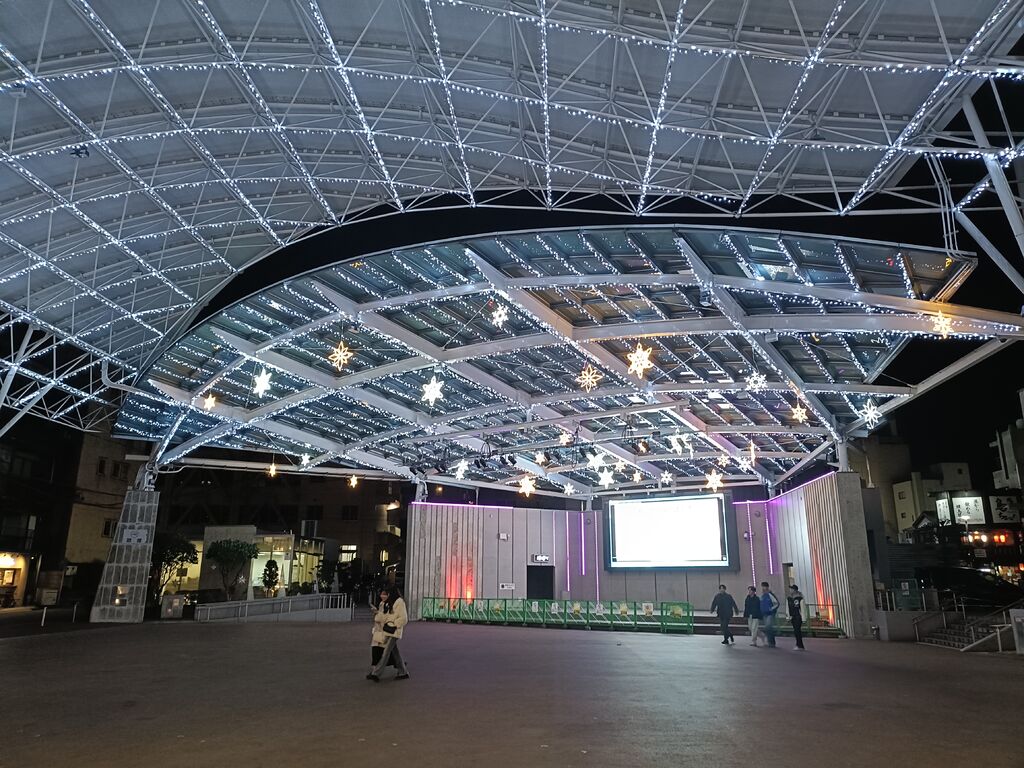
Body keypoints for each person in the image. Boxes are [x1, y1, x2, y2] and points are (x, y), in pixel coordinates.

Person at [366, 585, 409, 682]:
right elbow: (386, 617)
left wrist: (394, 624)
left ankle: (376, 673)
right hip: (388, 630)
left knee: (386, 652)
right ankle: (403, 672)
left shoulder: (399, 602)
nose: (385, 595)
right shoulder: (388, 603)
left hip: (394, 631)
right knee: (394, 652)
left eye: (387, 593)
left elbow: (404, 618)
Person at [759, 582, 780, 648]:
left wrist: (771, 609)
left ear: (767, 587)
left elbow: (777, 603)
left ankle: (772, 642)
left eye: (764, 586)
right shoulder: (762, 596)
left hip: (770, 614)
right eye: (762, 586)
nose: (763, 588)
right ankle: (769, 641)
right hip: (764, 614)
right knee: (767, 627)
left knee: (768, 627)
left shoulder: (770, 595)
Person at [787, 584, 806, 650]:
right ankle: (799, 644)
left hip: (798, 616)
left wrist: (803, 618)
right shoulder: (789, 598)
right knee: (796, 631)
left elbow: (802, 609)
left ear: (794, 590)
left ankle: (799, 645)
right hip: (793, 617)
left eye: (791, 589)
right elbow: (788, 608)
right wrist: (788, 617)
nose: (790, 590)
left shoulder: (800, 598)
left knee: (797, 630)